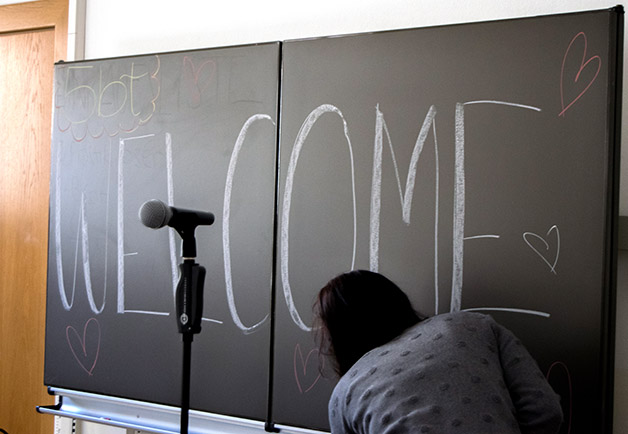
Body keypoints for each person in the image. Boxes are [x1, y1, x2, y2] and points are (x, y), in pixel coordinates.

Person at [314, 270, 563, 434]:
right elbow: (545, 410)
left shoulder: (345, 392)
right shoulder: (473, 325)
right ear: (396, 299)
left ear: (340, 337)